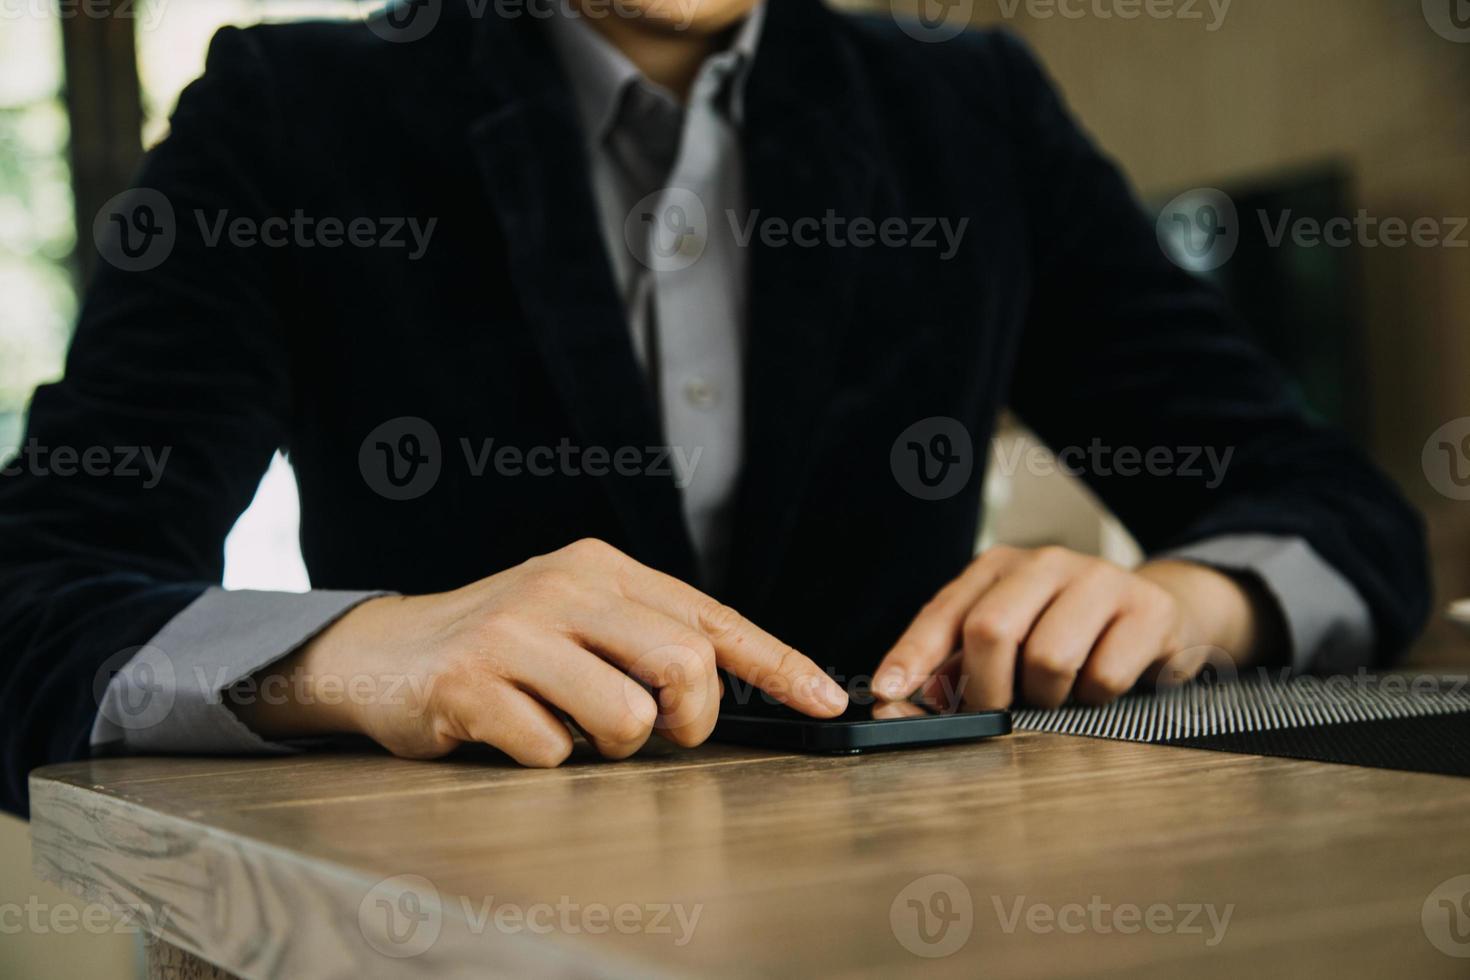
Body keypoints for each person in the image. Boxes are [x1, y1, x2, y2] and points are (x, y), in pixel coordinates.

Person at [0, 0, 1429, 816]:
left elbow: (1337, 512)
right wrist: (355, 654)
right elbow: (32, 592)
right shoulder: (287, 109)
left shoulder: (966, 108)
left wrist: (1188, 603)